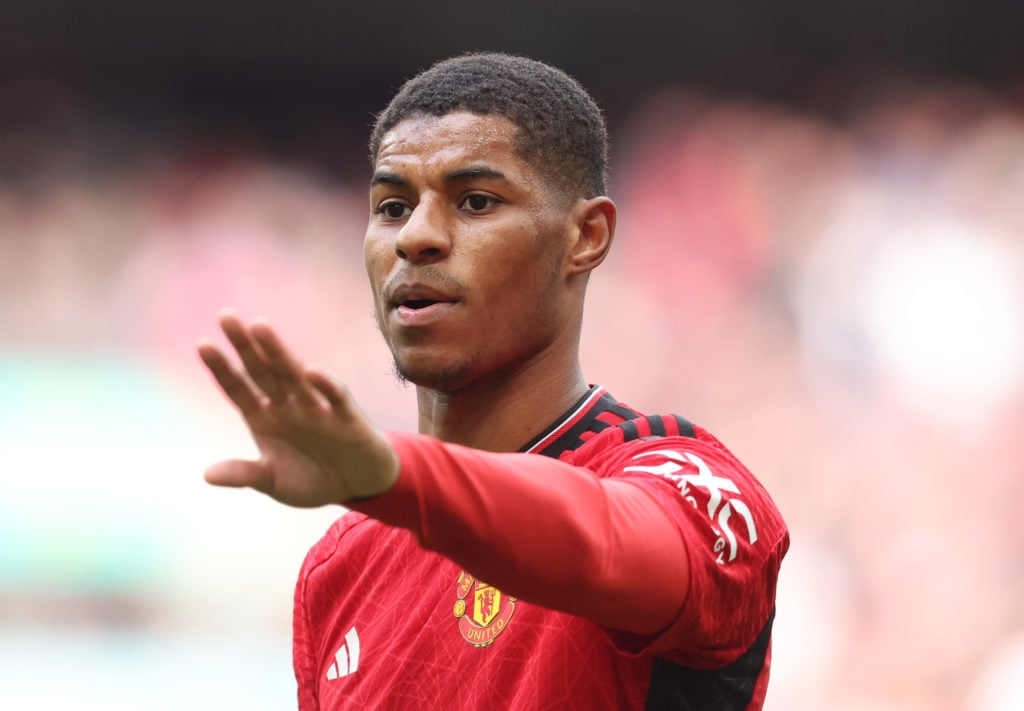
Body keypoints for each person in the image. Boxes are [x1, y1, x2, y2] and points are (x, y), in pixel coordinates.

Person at [198, 52, 789, 710]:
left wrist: (398, 476)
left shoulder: (689, 482)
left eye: (476, 201)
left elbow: (605, 544)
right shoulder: (342, 566)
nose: (415, 236)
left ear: (585, 236)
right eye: (391, 206)